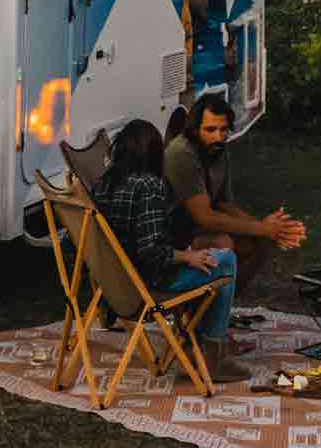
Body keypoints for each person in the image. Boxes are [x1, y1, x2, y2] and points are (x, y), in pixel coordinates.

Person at [92, 119, 250, 383]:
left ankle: (192, 343)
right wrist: (187, 256)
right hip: (149, 284)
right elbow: (152, 251)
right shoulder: (148, 186)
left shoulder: (102, 185)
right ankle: (212, 354)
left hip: (114, 284)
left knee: (203, 255)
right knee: (223, 260)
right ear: (155, 153)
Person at [164, 95, 306, 337]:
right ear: (194, 128)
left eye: (223, 130)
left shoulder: (218, 149)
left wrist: (267, 229)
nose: (218, 136)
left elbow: (224, 204)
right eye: (210, 129)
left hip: (197, 229)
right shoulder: (181, 153)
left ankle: (210, 317)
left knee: (259, 244)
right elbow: (205, 218)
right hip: (172, 237)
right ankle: (204, 330)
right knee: (224, 247)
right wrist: (263, 228)